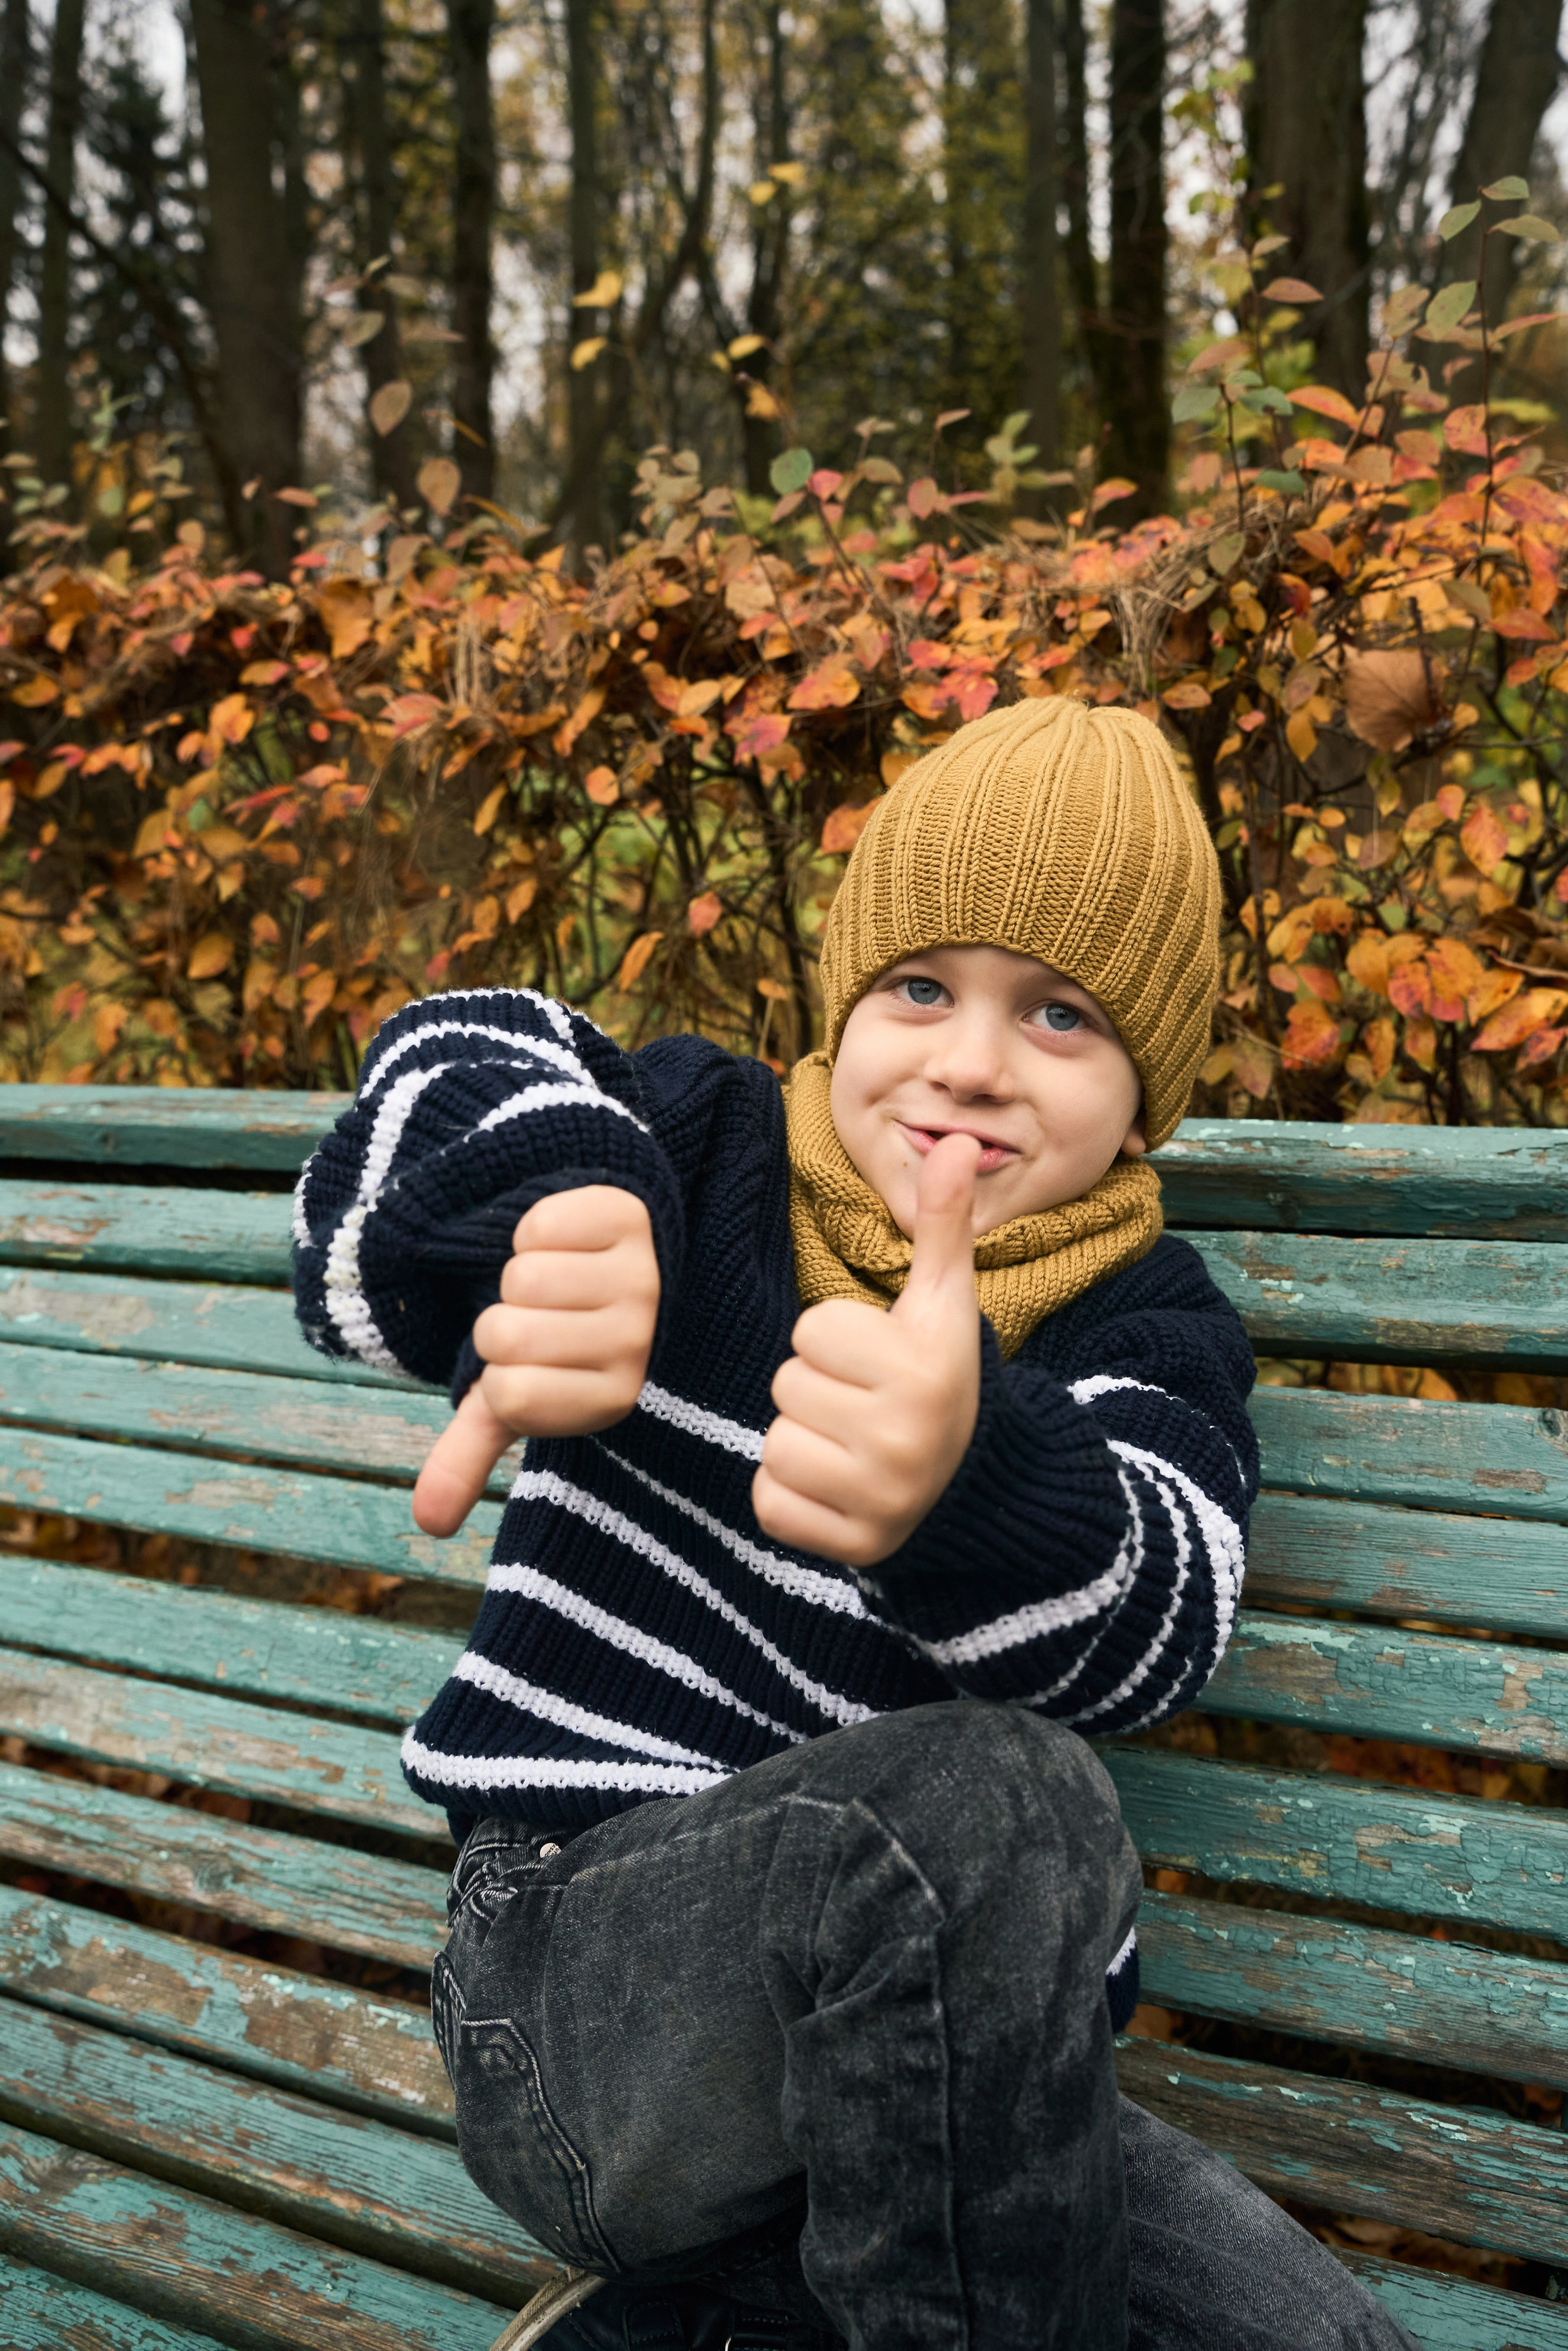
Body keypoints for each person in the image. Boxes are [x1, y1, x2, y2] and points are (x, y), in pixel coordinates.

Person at [294, 696, 1415, 2351]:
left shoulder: (1147, 1330)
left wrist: (972, 1470)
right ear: (845, 994)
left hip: (951, 2075)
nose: (968, 1058)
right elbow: (443, 1065)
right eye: (920, 986)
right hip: (581, 1998)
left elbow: (1165, 1609)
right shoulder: (692, 1149)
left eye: (1060, 1015)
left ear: (1149, 1091)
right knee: (987, 1798)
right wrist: (561, 1202)